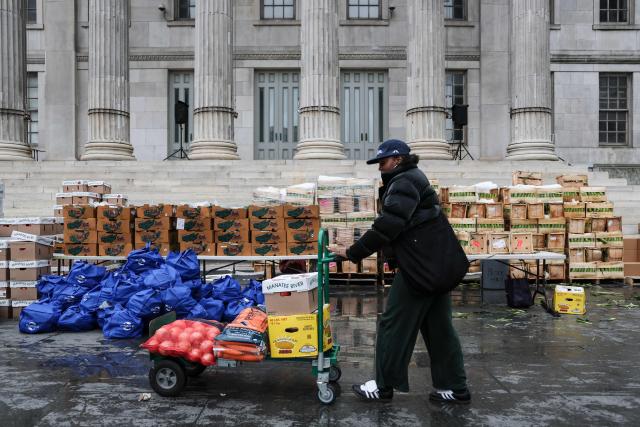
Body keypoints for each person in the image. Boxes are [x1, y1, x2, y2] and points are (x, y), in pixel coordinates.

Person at [330, 139, 471, 404]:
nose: (379, 168)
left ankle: (382, 386)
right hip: (436, 265)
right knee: (439, 329)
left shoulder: (404, 181)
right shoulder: (410, 178)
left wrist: (352, 253)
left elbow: (388, 226)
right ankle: (455, 387)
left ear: (397, 159)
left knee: (392, 324)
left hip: (421, 269)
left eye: (382, 162)